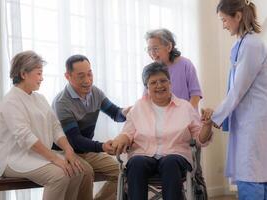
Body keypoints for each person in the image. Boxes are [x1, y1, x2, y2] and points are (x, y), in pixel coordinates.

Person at [112, 62, 213, 200]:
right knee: (136, 163)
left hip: (176, 156)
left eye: (163, 80)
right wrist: (121, 138)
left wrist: (207, 125)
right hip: (143, 154)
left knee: (170, 162)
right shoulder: (139, 107)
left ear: (170, 83)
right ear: (147, 87)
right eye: (153, 82)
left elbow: (200, 139)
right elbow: (127, 133)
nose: (159, 85)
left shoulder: (185, 107)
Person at [0, 50, 84, 200]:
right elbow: (26, 138)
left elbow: (55, 127)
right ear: (23, 74)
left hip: (37, 156)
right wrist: (55, 159)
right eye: (39, 73)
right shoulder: (11, 101)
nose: (42, 78)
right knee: (60, 176)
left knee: (78, 171)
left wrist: (68, 150)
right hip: (13, 159)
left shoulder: (40, 98)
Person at [52, 54, 130, 200]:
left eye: (90, 74)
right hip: (65, 152)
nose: (87, 81)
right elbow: (74, 140)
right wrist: (102, 147)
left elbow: (116, 114)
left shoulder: (95, 92)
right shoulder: (62, 102)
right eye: (81, 76)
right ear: (67, 76)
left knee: (122, 173)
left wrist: (127, 112)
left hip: (86, 151)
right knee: (86, 172)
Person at [210, 0, 267, 199]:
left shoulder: (251, 44)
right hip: (247, 120)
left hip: (254, 120)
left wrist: (215, 116)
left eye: (225, 20)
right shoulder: (241, 44)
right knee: (251, 172)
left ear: (238, 16)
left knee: (251, 172)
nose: (224, 25)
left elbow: (238, 89)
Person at [145, 28, 208, 198]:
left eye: (155, 48)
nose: (152, 53)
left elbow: (195, 95)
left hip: (184, 125)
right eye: (149, 49)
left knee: (195, 174)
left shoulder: (185, 64)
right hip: (162, 128)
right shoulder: (151, 70)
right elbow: (146, 100)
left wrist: (186, 115)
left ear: (169, 46)